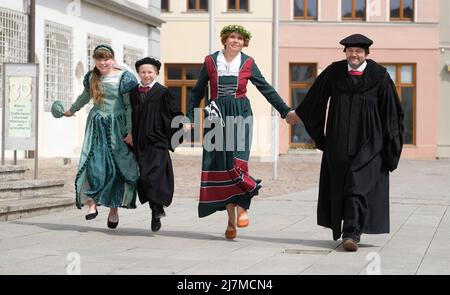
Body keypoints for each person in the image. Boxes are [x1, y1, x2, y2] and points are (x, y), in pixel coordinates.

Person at [286, 34, 404, 251]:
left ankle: (351, 233)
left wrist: (392, 145)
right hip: (339, 140)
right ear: (345, 53)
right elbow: (315, 97)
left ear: (366, 54)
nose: (354, 54)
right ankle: (350, 230)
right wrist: (299, 114)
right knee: (343, 183)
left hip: (371, 142)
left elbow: (392, 112)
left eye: (358, 51)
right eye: (350, 51)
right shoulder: (334, 72)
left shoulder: (380, 76)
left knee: (356, 183)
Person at [185, 25, 297, 239]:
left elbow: (266, 88)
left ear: (244, 42)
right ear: (225, 39)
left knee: (237, 163)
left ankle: (243, 208)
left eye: (240, 38)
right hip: (215, 116)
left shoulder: (248, 62)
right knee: (220, 165)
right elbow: (197, 91)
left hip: (240, 114)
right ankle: (230, 221)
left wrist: (285, 111)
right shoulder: (210, 61)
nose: (236, 41)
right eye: (232, 37)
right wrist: (189, 118)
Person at [64, 44, 139, 229]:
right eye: (99, 59)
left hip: (118, 127)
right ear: (95, 61)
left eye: (106, 59)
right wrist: (72, 110)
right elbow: (85, 96)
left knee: (116, 168)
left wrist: (130, 131)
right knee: (94, 164)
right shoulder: (92, 77)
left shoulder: (125, 77)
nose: (103, 62)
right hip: (97, 124)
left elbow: (130, 106)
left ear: (112, 59)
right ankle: (92, 203)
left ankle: (114, 209)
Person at [129, 57, 183, 232]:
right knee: (144, 177)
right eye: (143, 72)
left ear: (156, 73)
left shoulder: (162, 92)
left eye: (150, 72)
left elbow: (173, 111)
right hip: (139, 141)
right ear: (139, 73)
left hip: (157, 139)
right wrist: (128, 133)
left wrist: (183, 122)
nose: (146, 75)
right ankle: (156, 208)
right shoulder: (133, 92)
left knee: (155, 175)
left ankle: (156, 211)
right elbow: (128, 114)